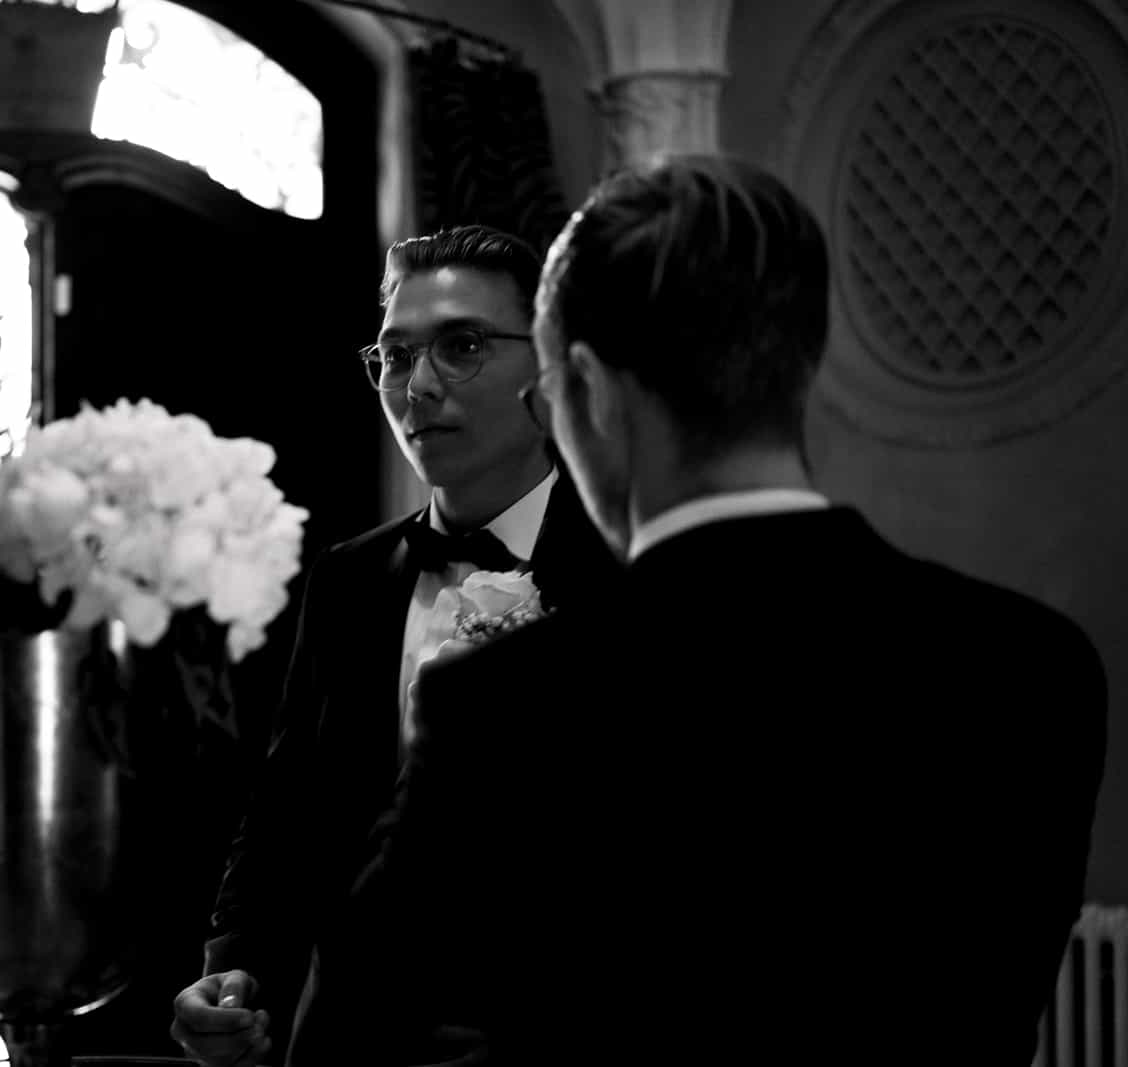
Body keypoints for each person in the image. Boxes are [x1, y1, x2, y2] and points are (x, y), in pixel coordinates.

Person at [344, 155, 1108, 1065]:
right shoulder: (1036, 666)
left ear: (586, 390)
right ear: (799, 364)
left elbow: (354, 1030)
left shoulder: (502, 705)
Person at [169, 225, 620, 1066]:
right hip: (350, 1056)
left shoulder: (622, 570)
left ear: (551, 366)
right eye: (395, 354)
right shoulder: (349, 581)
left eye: (463, 346)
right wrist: (230, 976)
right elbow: (282, 817)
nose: (419, 386)